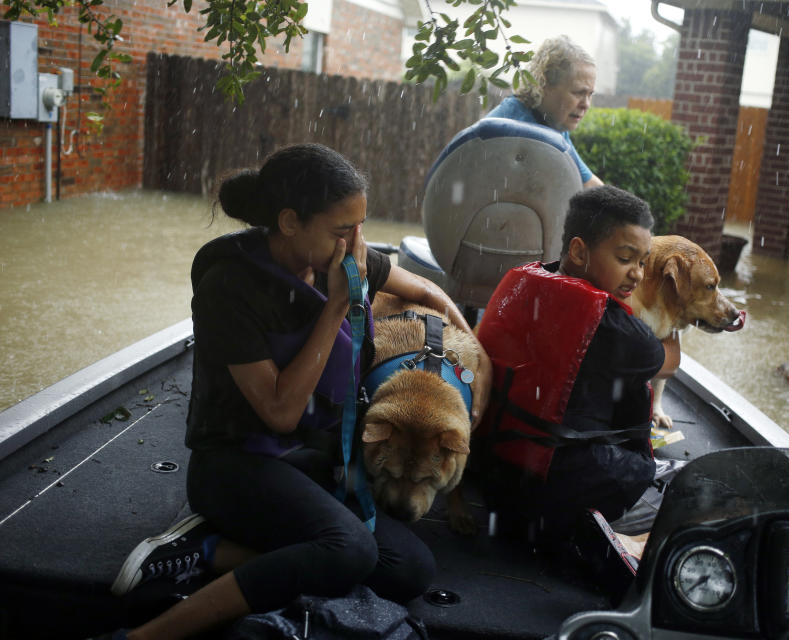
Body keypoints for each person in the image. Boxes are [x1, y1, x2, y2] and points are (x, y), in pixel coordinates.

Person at [106, 143, 491, 640]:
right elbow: (280, 413)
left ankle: (219, 552)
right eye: (341, 230)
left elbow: (429, 293)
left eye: (361, 228)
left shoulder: (346, 257)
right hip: (236, 464)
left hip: (312, 458)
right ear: (290, 222)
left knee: (409, 568)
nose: (357, 243)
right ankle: (152, 626)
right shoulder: (231, 285)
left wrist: (477, 359)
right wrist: (336, 307)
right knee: (350, 551)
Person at [475, 185, 680, 554]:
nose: (636, 274)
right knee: (691, 493)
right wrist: (675, 311)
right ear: (579, 251)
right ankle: (617, 540)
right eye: (625, 258)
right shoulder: (616, 330)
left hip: (494, 486)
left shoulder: (528, 278)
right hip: (551, 501)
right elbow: (666, 361)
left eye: (643, 262)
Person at [485, 35, 603, 188]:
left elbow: (589, 184)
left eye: (590, 94)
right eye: (578, 93)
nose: (586, 104)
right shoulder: (522, 129)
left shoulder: (551, 121)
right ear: (544, 84)